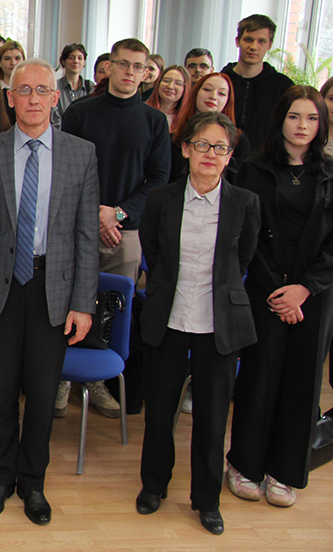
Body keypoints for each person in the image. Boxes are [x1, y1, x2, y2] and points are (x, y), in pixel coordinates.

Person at [0, 59, 99, 526]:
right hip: (1, 289)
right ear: (10, 98)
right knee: (1, 393)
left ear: (55, 97)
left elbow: (86, 234)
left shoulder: (80, 153)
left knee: (42, 397)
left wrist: (83, 303)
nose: (33, 99)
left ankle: (33, 483)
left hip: (53, 289)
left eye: (42, 90)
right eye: (24, 90)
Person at [136, 111, 260, 536]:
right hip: (168, 318)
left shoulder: (245, 202)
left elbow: (242, 259)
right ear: (186, 149)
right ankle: (153, 486)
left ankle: (207, 500)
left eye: (220, 147)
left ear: (230, 156)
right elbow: (152, 252)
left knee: (211, 418)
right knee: (160, 412)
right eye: (202, 145)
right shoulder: (161, 199)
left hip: (218, 324)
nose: (210, 154)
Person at [227, 86, 333, 509]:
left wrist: (303, 289)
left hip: (314, 295)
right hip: (265, 290)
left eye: (312, 118)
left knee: (302, 383)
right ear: (280, 120)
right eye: (294, 116)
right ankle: (244, 464)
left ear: (321, 124)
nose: (302, 126)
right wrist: (276, 290)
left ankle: (285, 472)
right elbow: (246, 237)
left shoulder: (330, 173)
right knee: (259, 378)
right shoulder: (253, 169)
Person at [61, 38, 171, 418]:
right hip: (77, 226)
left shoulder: (155, 121)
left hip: (126, 232)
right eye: (123, 63)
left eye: (138, 66)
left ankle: (98, 382)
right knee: (68, 298)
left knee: (111, 307)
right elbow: (67, 170)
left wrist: (117, 214)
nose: (129, 72)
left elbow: (159, 178)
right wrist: (95, 214)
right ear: (108, 67)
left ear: (146, 73)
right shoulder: (80, 112)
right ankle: (62, 375)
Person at [221, 14, 294, 154]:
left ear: (269, 45)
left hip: (266, 161)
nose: (254, 47)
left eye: (261, 41)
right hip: (222, 159)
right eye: (248, 40)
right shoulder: (220, 82)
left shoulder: (283, 87)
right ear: (237, 41)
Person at [169, 73, 251, 183]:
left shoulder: (239, 142)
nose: (213, 96)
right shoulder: (173, 138)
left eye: (221, 93)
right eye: (207, 89)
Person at [53, 43, 90, 127]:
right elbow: (55, 119)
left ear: (84, 62)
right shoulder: (55, 87)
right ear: (63, 61)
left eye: (80, 58)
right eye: (71, 58)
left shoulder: (90, 87)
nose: (76, 61)